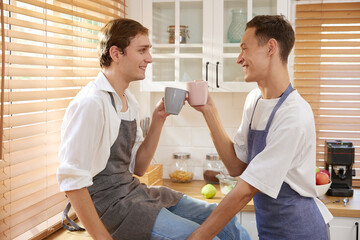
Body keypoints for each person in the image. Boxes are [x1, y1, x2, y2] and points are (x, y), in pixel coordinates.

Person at [57, 18, 251, 240]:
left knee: (226, 221)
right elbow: (72, 182)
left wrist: (159, 119)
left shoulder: (128, 100)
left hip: (135, 194)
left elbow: (139, 167)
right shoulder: (91, 103)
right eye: (142, 50)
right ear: (116, 53)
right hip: (114, 209)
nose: (149, 58)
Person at [187, 15, 333, 240]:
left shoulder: (294, 114)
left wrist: (196, 238)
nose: (239, 58)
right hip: (271, 230)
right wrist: (209, 112)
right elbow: (237, 167)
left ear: (271, 48)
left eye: (245, 48)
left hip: (301, 231)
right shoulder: (254, 100)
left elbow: (246, 190)